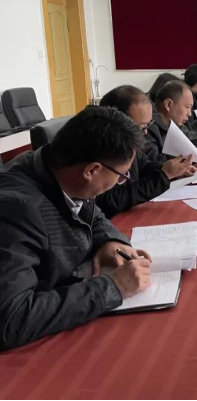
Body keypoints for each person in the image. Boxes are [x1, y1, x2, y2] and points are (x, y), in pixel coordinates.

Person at [0, 107, 153, 351]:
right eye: (121, 176)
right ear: (92, 170)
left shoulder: (58, 168)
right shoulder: (17, 210)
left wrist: (110, 240)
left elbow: (92, 213)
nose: (120, 182)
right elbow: (10, 320)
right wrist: (112, 288)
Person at [97, 85, 195, 218]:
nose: (145, 132)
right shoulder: (100, 150)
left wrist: (173, 171)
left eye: (147, 125)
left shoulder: (129, 145)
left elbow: (145, 165)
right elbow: (109, 200)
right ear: (116, 123)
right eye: (141, 127)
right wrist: (164, 176)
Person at [145, 80, 197, 163]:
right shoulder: (147, 127)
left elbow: (185, 142)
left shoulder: (172, 123)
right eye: (187, 107)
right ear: (168, 104)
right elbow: (154, 161)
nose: (189, 114)